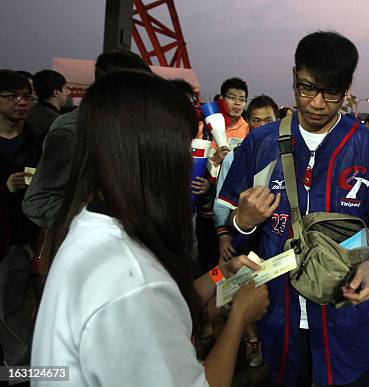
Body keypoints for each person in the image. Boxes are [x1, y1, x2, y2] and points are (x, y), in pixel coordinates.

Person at [31, 70, 269, 387]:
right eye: (186, 147)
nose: (190, 161)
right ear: (158, 155)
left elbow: (166, 303)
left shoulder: (93, 225)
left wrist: (219, 273)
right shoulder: (133, 283)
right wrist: (239, 317)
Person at [218, 31, 369, 387]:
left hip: (345, 319)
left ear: (348, 88)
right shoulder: (260, 144)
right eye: (307, 88)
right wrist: (242, 223)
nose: (318, 103)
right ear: (294, 76)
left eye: (332, 92)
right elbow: (232, 233)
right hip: (278, 316)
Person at [22, 50, 151, 229]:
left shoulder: (126, 125)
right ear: (115, 87)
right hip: (89, 248)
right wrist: (100, 223)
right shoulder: (73, 131)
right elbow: (38, 201)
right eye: (138, 87)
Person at [214, 95, 280, 369]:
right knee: (241, 289)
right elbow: (222, 201)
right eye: (256, 120)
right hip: (242, 238)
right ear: (249, 124)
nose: (263, 125)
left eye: (269, 120)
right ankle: (252, 341)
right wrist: (226, 234)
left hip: (272, 244)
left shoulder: (288, 154)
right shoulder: (237, 156)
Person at [0, 69, 40, 368]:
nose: (21, 102)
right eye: (12, 96)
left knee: (42, 307)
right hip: (7, 241)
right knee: (9, 311)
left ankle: (39, 369)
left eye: (26, 96)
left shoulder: (40, 141)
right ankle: (19, 374)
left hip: (38, 237)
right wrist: (5, 187)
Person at [26, 70, 69, 142]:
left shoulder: (28, 113)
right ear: (56, 92)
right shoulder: (58, 121)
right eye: (65, 88)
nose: (68, 92)